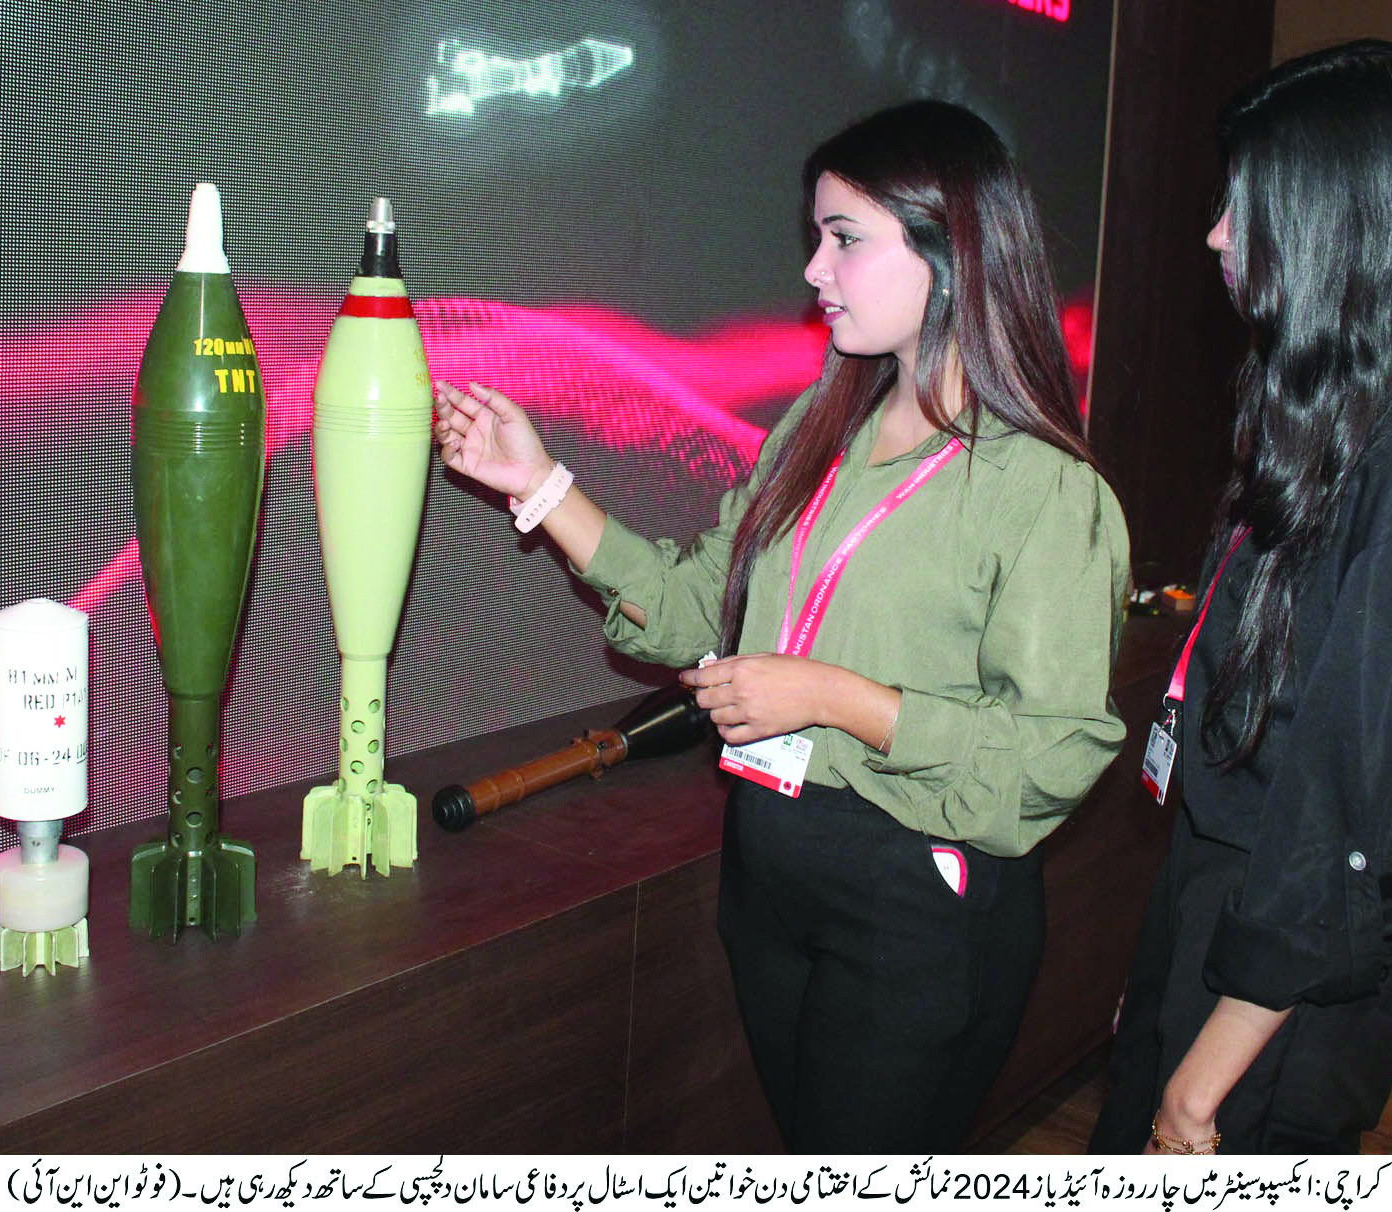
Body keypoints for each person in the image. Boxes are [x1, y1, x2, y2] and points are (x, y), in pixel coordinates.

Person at [433, 100, 1129, 1152]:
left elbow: (1051, 753)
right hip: (772, 869)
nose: (812, 269)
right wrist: (538, 485)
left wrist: (830, 696)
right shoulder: (821, 420)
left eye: (844, 239)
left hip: (918, 899)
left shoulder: (1043, 490)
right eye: (817, 237)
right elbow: (689, 612)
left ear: (953, 251)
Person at [1089, 40, 1392, 1155]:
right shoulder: (1325, 428)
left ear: (1340, 223)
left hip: (1278, 1002)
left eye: (1243, 208)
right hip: (1227, 928)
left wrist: (1197, 1081)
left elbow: (1345, 832)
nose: (1214, 237)